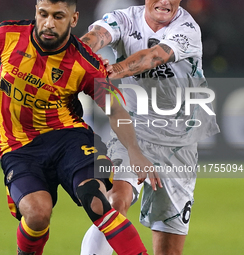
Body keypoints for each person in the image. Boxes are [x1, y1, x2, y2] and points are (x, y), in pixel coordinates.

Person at [0, 0, 161, 254]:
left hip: (68, 138)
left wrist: (134, 151)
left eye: (58, 16)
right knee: (37, 215)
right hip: (18, 146)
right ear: (36, 13)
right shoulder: (7, 35)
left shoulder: (86, 62)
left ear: (73, 19)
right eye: (43, 14)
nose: (48, 23)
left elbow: (114, 109)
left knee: (95, 199)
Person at [80, 0, 220, 255]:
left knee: (168, 249)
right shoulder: (123, 19)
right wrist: (77, 55)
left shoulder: (187, 28)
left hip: (179, 140)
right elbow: (97, 36)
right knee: (112, 204)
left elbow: (155, 56)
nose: (165, 1)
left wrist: (112, 71)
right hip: (132, 129)